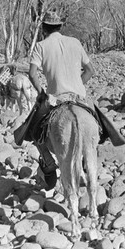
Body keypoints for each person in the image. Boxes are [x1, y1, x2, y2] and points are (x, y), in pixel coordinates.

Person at [27, 10, 96, 190]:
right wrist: (76, 85)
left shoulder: (41, 46)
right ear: (60, 26)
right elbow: (90, 70)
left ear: (44, 28)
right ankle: (92, 157)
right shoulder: (75, 42)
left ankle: (49, 163)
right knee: (99, 125)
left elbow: (32, 74)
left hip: (56, 99)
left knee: (34, 130)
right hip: (79, 97)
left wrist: (42, 93)